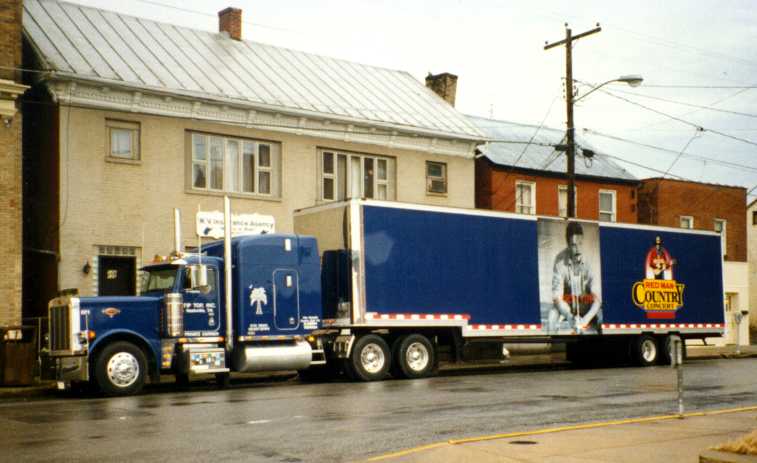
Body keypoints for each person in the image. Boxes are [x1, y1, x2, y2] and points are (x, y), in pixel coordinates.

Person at [549, 221, 602, 333]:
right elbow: (557, 297)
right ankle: (552, 346)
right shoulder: (559, 261)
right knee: (552, 316)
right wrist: (569, 316)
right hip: (568, 306)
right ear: (568, 244)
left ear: (582, 241)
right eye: (574, 245)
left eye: (580, 243)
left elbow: (597, 299)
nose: (578, 249)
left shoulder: (590, 261)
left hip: (588, 306)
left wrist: (585, 320)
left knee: (602, 317)